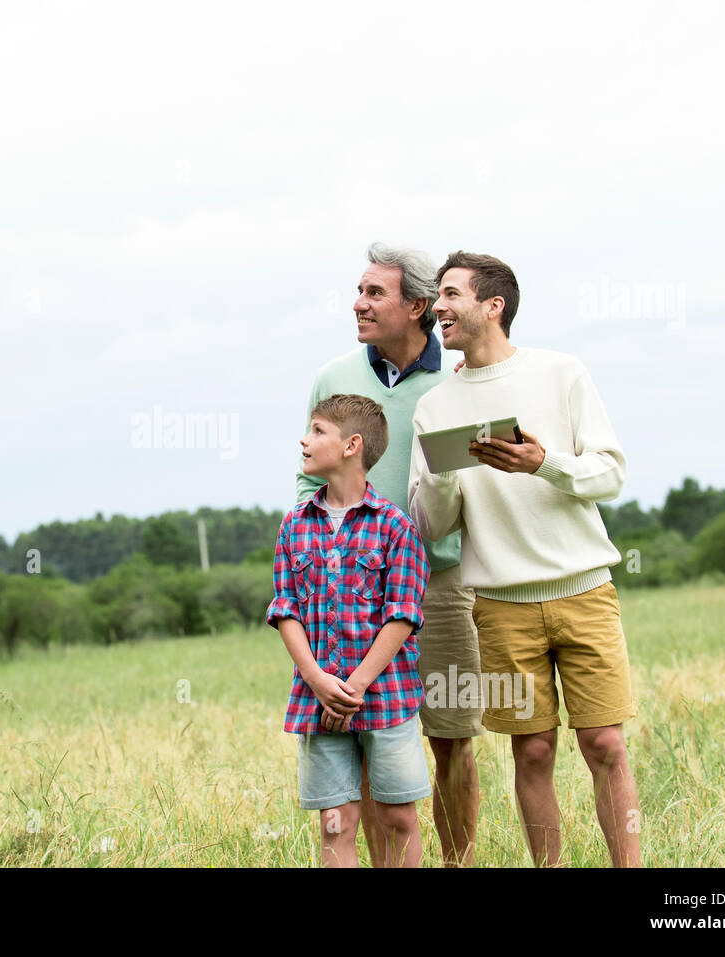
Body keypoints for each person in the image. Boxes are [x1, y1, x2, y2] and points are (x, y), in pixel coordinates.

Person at [408, 251, 641, 867]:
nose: (438, 307)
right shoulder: (437, 406)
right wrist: (440, 473)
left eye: (451, 294)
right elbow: (433, 525)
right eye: (437, 296)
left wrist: (546, 463)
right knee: (531, 751)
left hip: (583, 589)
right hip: (500, 606)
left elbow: (610, 474)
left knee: (605, 744)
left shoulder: (562, 373)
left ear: (493, 305)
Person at [296, 243, 482, 866]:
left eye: (376, 294)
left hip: (443, 584)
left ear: (419, 306)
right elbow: (308, 484)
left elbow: (468, 479)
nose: (359, 303)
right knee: (371, 739)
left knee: (452, 739)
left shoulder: (457, 378)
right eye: (360, 290)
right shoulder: (334, 378)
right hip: (353, 593)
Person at [267, 393, 431, 867]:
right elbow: (286, 611)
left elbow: (402, 615)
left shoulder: (395, 527)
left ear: (351, 445)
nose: (305, 439)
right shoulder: (294, 526)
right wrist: (320, 682)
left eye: (317, 430)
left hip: (386, 696)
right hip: (317, 699)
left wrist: (355, 687)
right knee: (335, 821)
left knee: (399, 817)